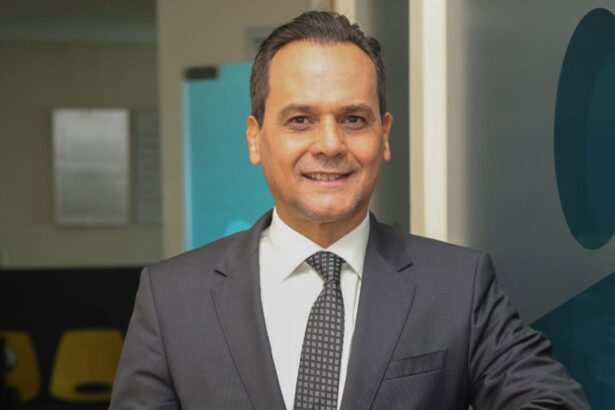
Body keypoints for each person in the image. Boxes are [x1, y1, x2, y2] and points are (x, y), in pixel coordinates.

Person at [110, 11, 589, 410]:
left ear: (384, 135)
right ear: (255, 139)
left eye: (353, 119)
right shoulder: (172, 299)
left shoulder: (460, 287)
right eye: (301, 119)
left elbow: (552, 401)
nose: (330, 144)